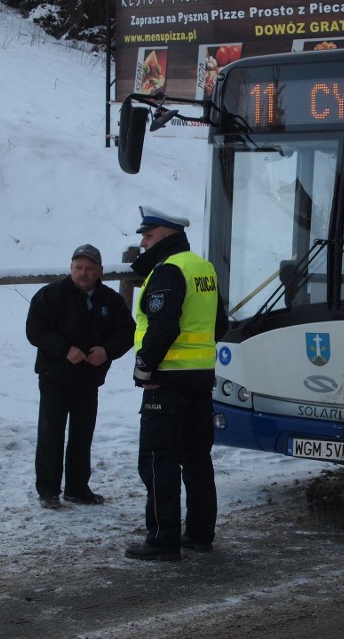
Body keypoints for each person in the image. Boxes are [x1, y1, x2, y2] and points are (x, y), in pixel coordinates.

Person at [125, 205, 229, 561]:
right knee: (197, 458)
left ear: (167, 236)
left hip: (166, 381)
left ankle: (162, 540)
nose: (142, 242)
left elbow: (163, 327)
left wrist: (144, 369)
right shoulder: (204, 268)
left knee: (158, 460)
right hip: (200, 380)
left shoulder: (169, 270)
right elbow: (220, 326)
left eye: (148, 235)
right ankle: (200, 534)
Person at [26, 244, 136, 510]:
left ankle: (77, 488)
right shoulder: (50, 295)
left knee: (82, 434)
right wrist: (65, 349)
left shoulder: (110, 301)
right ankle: (49, 490)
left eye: (89, 268)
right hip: (55, 376)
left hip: (88, 379)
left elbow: (127, 332)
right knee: (51, 433)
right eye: (78, 268)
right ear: (70, 268)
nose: (83, 273)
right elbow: (35, 330)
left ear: (100, 271)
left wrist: (107, 351)